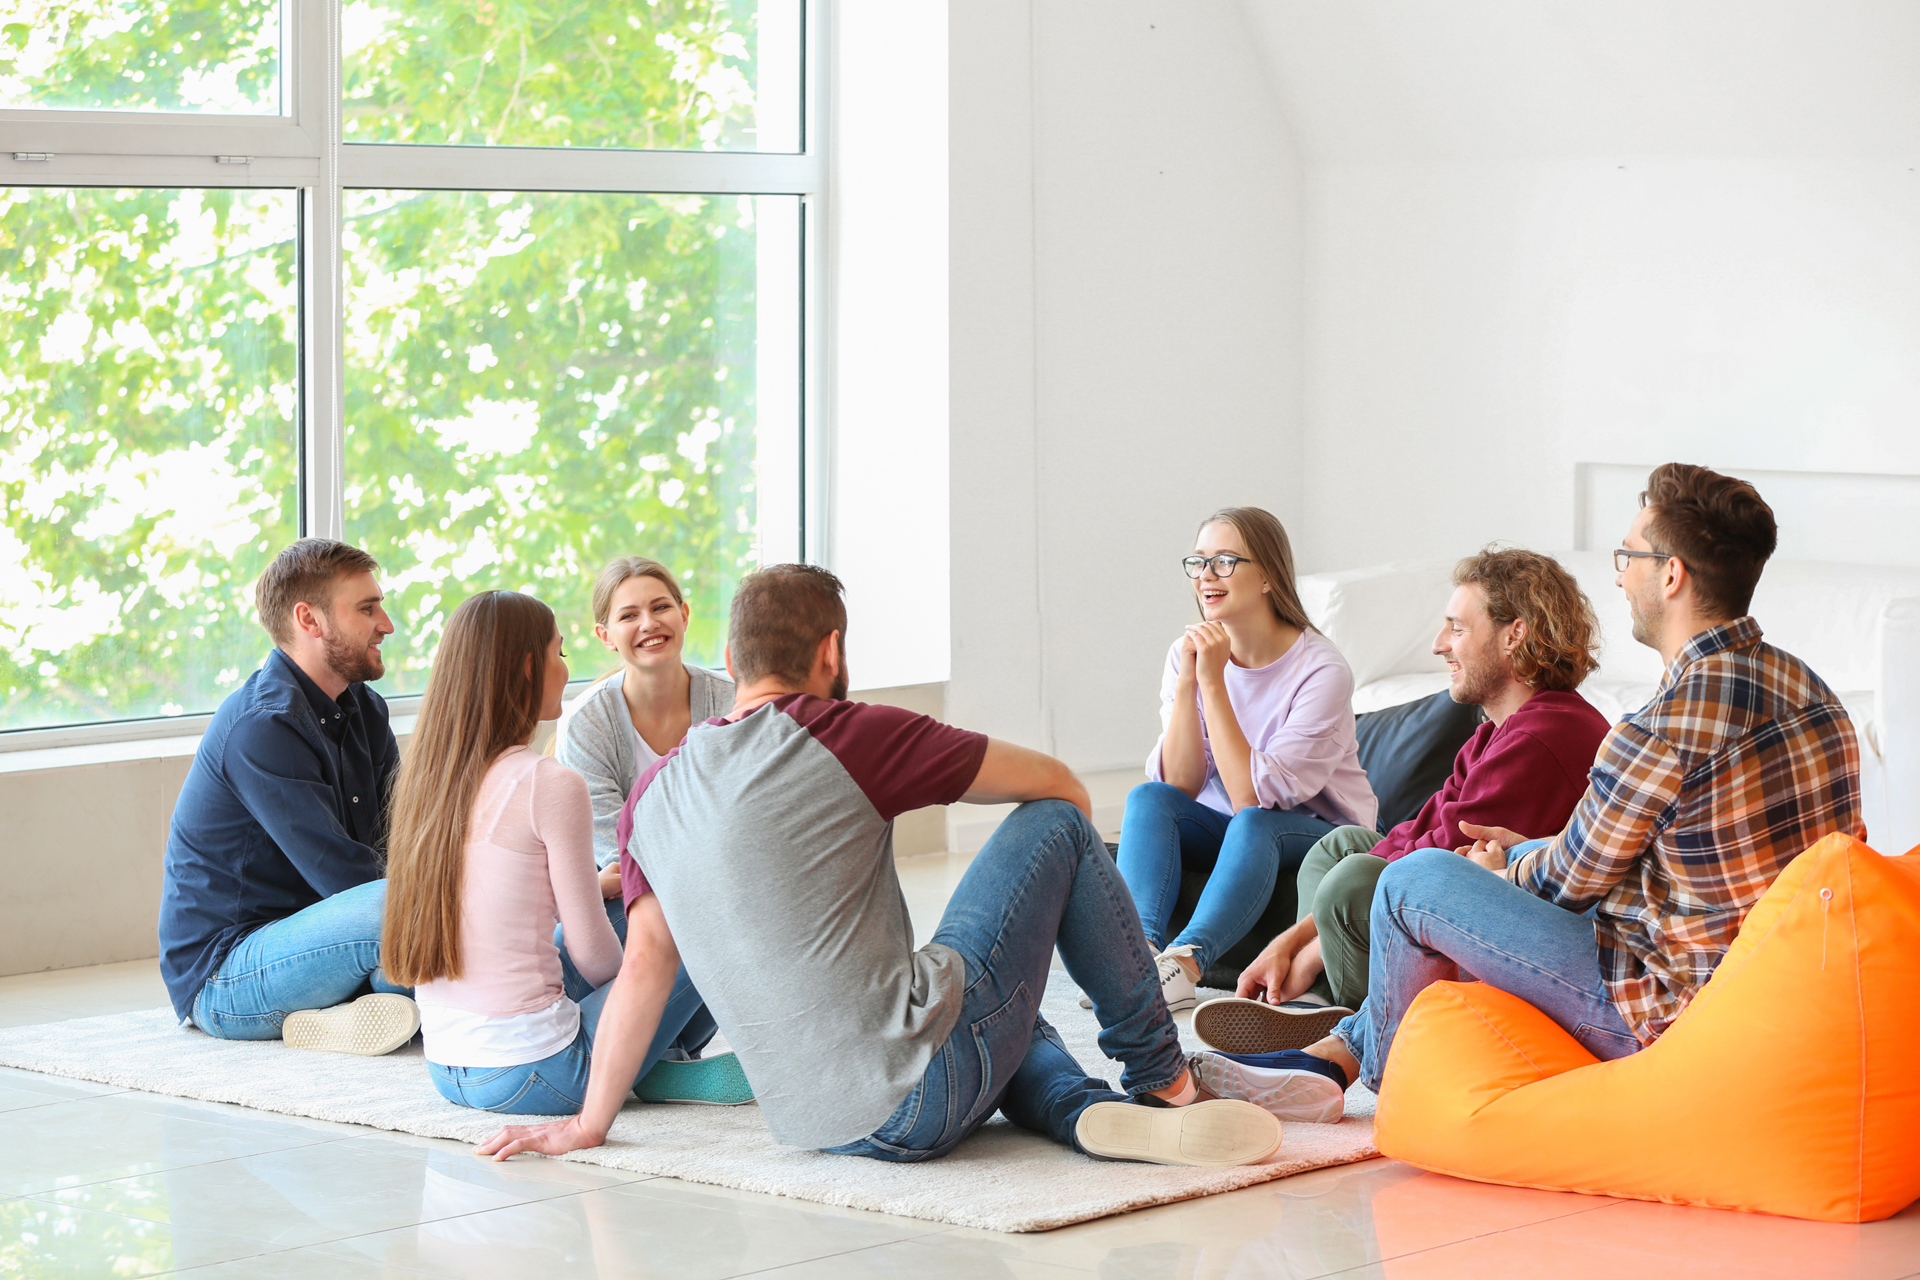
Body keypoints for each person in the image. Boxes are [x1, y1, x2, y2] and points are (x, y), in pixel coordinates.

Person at [478, 565, 1332, 1169]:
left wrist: (592, 1121)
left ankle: (1083, 1114)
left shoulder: (653, 792)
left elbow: (643, 972)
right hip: (921, 1098)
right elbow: (1060, 789)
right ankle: (1164, 1080)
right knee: (1057, 833)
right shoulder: (852, 731)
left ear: (730, 664)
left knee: (1004, 1008)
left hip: (813, 1125)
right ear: (831, 653)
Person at [1210, 464, 1866, 1108]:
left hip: (1668, 1010)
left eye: (1628, 554)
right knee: (1512, 856)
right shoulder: (1813, 694)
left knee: (1416, 883)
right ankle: (1335, 1051)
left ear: (1672, 575)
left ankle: (1371, 1070)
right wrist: (1523, 857)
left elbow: (1567, 883)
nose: (1618, 573)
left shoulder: (1664, 727)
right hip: (1776, 984)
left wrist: (1499, 872)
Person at [1198, 548, 1613, 1052]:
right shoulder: (1494, 733)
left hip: (1507, 945)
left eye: (1457, 628)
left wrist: (1297, 944)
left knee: (1353, 879)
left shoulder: (1548, 734)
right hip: (1453, 904)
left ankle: (1355, 1015)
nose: (1440, 645)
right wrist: (1296, 939)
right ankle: (1323, 996)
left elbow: (1439, 861)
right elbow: (1420, 827)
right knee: (1340, 848)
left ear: (1515, 634)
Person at [381, 590, 746, 1114]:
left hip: (448, 1068)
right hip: (544, 1073)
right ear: (530, 667)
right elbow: (596, 958)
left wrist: (600, 895)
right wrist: (649, 970)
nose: (565, 668)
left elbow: (499, 903)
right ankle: (661, 1056)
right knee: (706, 914)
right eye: (560, 653)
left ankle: (658, 1057)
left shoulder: (427, 781)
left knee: (626, 903)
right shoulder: (547, 783)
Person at [157, 538, 417, 1054]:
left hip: (325, 940)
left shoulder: (365, 708)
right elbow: (347, 879)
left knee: (429, 934)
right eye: (367, 609)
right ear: (310, 619)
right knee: (393, 910)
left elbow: (403, 839)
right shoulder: (264, 725)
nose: (386, 624)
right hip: (226, 976)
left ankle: (355, 1010)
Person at [1116, 507, 1378, 1013]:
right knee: (1149, 798)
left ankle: (1184, 964)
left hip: (1319, 830)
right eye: (1198, 562)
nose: (1206, 576)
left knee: (1254, 823)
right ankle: (1135, 958)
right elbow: (1182, 784)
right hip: (1230, 825)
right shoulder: (1186, 653)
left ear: (1267, 577)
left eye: (1225, 561)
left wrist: (1213, 683)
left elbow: (1251, 798)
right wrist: (1192, 677)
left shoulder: (1321, 669)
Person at [555, 557, 734, 938]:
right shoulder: (586, 723)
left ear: (684, 614)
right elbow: (615, 854)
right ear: (605, 636)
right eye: (629, 616)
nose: (649, 624)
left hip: (727, 888)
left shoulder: (732, 702)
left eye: (661, 607)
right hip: (632, 896)